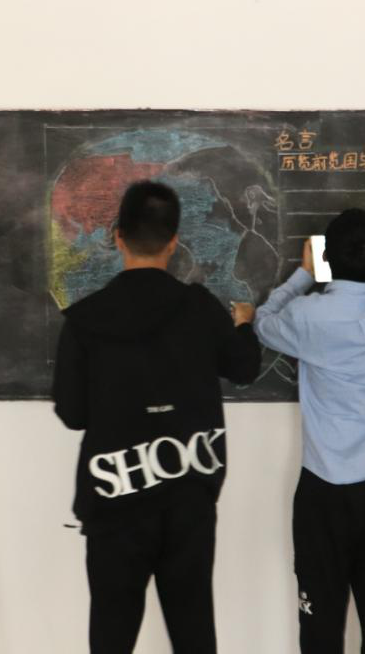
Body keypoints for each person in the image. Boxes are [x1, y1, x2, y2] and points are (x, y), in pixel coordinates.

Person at [53, 180, 261, 654]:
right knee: (194, 635)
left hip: (114, 504)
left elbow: (73, 414)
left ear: (117, 237)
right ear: (173, 242)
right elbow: (244, 368)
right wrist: (245, 325)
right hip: (189, 502)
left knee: (111, 637)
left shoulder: (84, 320)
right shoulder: (201, 308)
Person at [254, 145, 365, 654]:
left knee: (320, 629)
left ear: (327, 259)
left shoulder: (308, 316)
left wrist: (304, 273)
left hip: (323, 490)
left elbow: (264, 323)